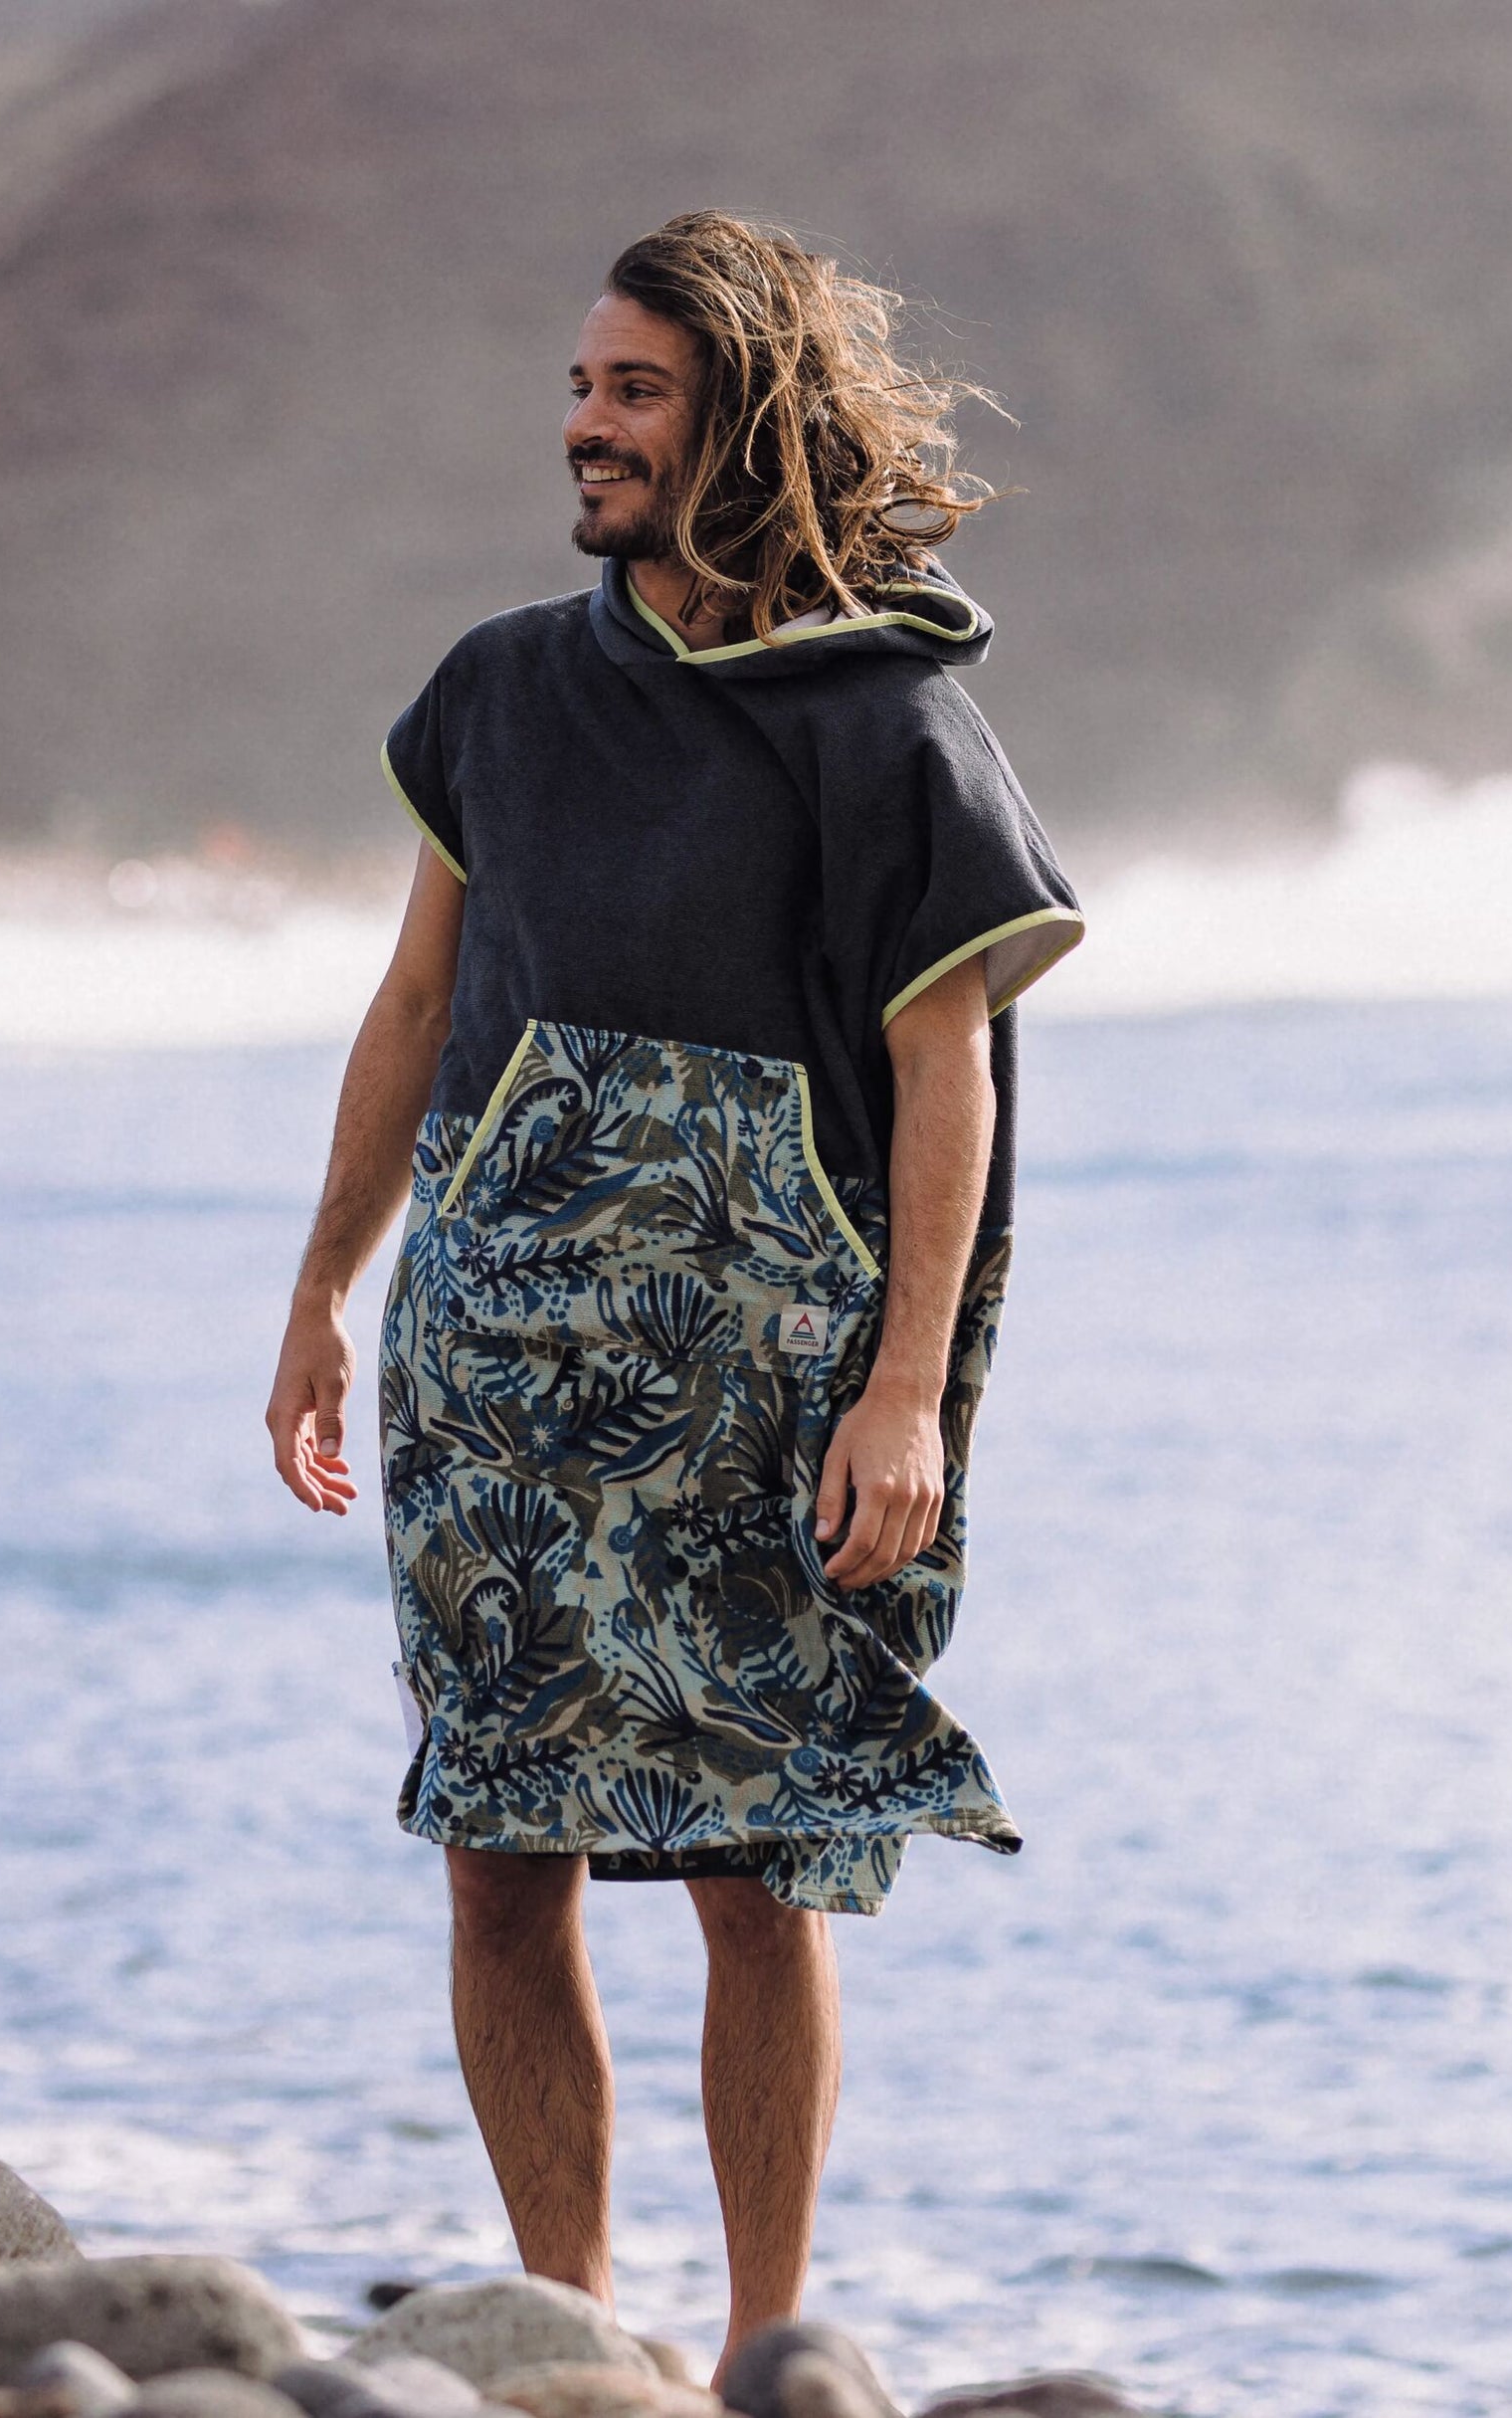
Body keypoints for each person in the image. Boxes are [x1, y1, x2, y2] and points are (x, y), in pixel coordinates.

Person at [266, 211, 1082, 2378]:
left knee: (754, 1863)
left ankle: (765, 2355)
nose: (586, 425)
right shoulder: (496, 690)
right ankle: (573, 2339)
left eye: (632, 390)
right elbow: (416, 1001)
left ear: (744, 417)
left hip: (764, 1383)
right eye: (578, 388)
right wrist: (324, 1286)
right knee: (493, 1848)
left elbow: (947, 1065)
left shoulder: (882, 718)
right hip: (494, 1368)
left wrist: (903, 1390)